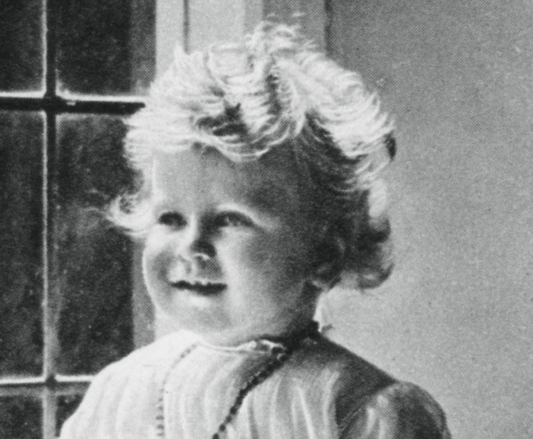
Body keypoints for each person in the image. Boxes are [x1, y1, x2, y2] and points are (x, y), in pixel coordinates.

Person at [60, 22, 450, 439]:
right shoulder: (122, 390)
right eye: (170, 218)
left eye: (230, 220)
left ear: (323, 255)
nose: (192, 247)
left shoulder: (355, 407)